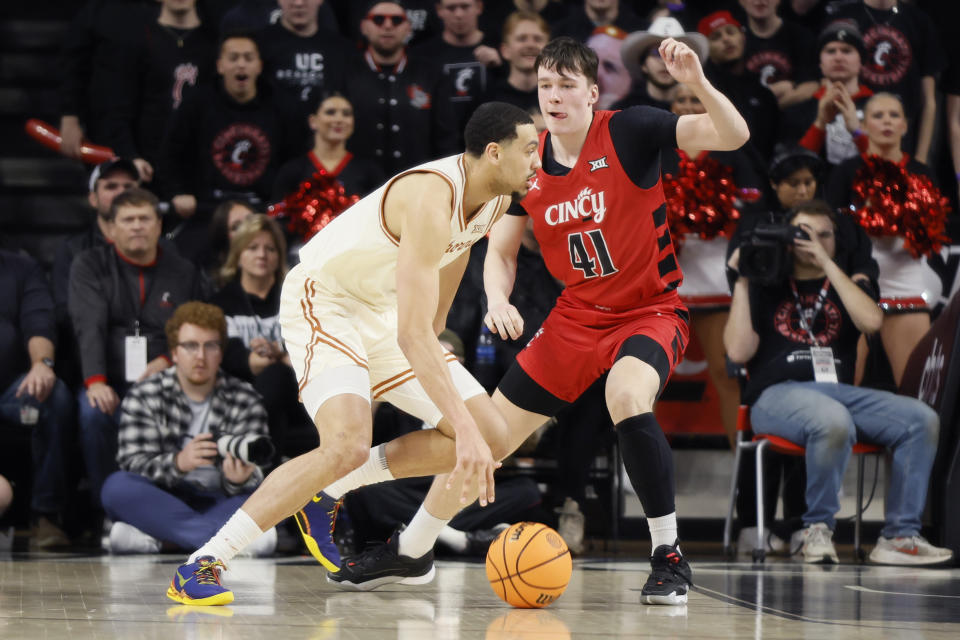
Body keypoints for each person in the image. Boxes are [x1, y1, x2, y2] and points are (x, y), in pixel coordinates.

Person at [325, 36, 750, 605]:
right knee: (487, 436)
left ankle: (667, 554)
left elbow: (733, 135)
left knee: (626, 396)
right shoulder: (527, 160)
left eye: (567, 85)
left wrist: (697, 82)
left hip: (649, 309)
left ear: (592, 93)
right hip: (575, 317)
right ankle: (413, 549)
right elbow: (498, 252)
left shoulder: (631, 130)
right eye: (545, 84)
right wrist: (498, 300)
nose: (553, 95)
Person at [165, 101, 541, 606]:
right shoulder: (432, 196)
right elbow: (412, 335)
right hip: (326, 298)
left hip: (383, 314)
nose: (538, 160)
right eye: (531, 149)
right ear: (495, 153)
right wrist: (443, 387)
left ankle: (330, 491)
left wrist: (436, 341)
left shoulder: (495, 198)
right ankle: (203, 562)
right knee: (346, 443)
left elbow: (457, 256)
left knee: (493, 436)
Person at [723, 198, 952, 566]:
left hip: (839, 393)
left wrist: (827, 264)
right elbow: (737, 351)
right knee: (832, 419)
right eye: (802, 234)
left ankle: (899, 536)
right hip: (776, 395)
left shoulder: (847, 282)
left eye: (823, 235)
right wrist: (742, 280)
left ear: (836, 240)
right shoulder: (766, 282)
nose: (811, 242)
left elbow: (872, 323)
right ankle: (817, 529)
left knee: (920, 419)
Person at [101, 302, 276, 555]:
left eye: (211, 346)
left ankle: (161, 542)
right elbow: (133, 465)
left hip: (221, 499)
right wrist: (178, 463)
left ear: (221, 352)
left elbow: (257, 470)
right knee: (117, 487)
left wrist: (237, 480)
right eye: (191, 346)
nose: (200, 356)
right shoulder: (145, 394)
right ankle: (225, 544)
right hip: (164, 499)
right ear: (174, 352)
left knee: (268, 496)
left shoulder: (245, 398)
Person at [69, 188, 206, 507]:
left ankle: (172, 506)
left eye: (144, 218)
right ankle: (108, 509)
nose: (137, 226)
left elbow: (191, 325)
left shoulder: (182, 270)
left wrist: (166, 361)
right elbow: (89, 325)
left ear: (159, 225)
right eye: (128, 219)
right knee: (93, 414)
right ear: (111, 227)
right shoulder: (89, 265)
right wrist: (96, 381)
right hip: (109, 380)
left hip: (167, 378)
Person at [662, 83, 764, 446]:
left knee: (725, 371)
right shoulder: (657, 148)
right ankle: (633, 463)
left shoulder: (730, 146)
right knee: (648, 374)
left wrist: (718, 212)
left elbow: (753, 200)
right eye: (681, 99)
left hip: (715, 271)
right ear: (670, 105)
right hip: (665, 272)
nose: (688, 105)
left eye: (695, 99)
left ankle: (741, 463)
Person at [825, 93, 944, 387]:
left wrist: (903, 224)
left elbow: (933, 235)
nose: (887, 121)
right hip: (856, 288)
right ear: (864, 125)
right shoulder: (847, 172)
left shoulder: (921, 173)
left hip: (906, 288)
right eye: (878, 116)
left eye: (894, 115)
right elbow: (829, 229)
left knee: (916, 386)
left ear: (905, 125)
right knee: (844, 383)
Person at [158, 31, 303, 264]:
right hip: (206, 212)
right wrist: (176, 193)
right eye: (233, 58)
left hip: (264, 213)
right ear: (220, 65)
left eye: (247, 58)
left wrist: (280, 203)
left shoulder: (283, 106)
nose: (241, 64)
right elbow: (171, 154)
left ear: (259, 66)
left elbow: (295, 163)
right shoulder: (196, 103)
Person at [210, 215, 315, 463]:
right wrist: (265, 358)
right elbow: (230, 356)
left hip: (297, 391)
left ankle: (262, 463)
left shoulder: (296, 296)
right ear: (238, 255)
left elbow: (308, 344)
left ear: (279, 256)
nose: (262, 255)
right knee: (273, 377)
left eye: (270, 248)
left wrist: (275, 354)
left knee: (276, 376)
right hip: (239, 394)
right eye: (252, 247)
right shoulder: (222, 302)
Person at [0, 250, 74, 549]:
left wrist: (42, 363)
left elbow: (39, 323)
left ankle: (46, 516)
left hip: (11, 391)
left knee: (52, 395)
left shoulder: (19, 267)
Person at [102, 0, 218, 186]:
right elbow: (118, 109)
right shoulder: (136, 41)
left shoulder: (216, 42)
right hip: (148, 165)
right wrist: (130, 156)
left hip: (204, 168)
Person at [824, 0, 943, 164]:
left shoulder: (918, 21)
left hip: (901, 138)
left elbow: (929, 102)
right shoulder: (842, 17)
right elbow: (828, 81)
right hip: (849, 135)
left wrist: (921, 158)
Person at [345, 1, 444, 176]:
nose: (388, 26)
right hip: (358, 184)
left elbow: (445, 136)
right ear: (364, 27)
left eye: (397, 20)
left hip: (418, 181)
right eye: (378, 19)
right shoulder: (345, 73)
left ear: (408, 28)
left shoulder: (430, 74)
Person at [413, 0, 503, 155]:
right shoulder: (422, 55)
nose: (459, 14)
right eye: (451, 8)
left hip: (493, 143)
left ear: (479, 7)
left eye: (465, 6)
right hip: (439, 149)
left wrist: (502, 67)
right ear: (439, 10)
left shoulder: (500, 46)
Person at [779, 20, 873, 166]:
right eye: (830, 51)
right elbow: (796, 168)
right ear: (820, 64)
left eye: (847, 50)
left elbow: (887, 162)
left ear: (861, 61)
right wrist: (820, 123)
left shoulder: (881, 108)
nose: (838, 57)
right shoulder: (797, 112)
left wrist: (857, 132)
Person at [272, 93, 385, 212]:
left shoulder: (370, 172)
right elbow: (278, 218)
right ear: (313, 121)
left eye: (346, 114)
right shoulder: (292, 171)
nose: (339, 119)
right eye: (330, 112)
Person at [698, 10, 779, 161]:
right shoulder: (703, 91)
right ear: (706, 48)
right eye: (716, 37)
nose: (726, 39)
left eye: (730, 32)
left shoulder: (762, 92)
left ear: (743, 37)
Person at [256, 0, 350, 124]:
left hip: (326, 134)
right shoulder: (258, 46)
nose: (299, 3)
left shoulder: (343, 49)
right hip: (272, 131)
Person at [615, 16, 709, 111]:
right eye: (657, 53)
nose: (665, 61)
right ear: (643, 65)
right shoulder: (624, 111)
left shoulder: (701, 109)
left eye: (673, 54)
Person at [738, 0, 818, 108]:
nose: (760, 1)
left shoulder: (801, 36)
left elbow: (811, 86)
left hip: (792, 117)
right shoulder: (735, 42)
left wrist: (766, 109)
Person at [482, 11, 550, 113]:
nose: (530, 45)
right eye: (522, 39)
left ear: (549, 49)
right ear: (505, 51)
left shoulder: (559, 97)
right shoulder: (490, 101)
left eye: (537, 39)